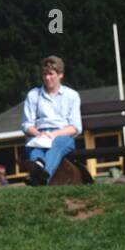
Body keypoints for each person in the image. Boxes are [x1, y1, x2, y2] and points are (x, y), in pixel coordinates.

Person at [21, 56, 82, 185]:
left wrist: (53, 135)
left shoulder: (72, 95)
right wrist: (38, 134)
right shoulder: (33, 95)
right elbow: (27, 125)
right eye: (44, 74)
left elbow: (75, 127)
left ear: (60, 75)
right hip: (39, 134)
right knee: (34, 148)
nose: (47, 78)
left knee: (56, 145)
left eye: (51, 74)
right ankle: (39, 168)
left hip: (62, 135)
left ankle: (39, 178)